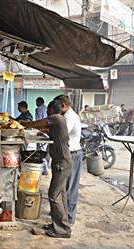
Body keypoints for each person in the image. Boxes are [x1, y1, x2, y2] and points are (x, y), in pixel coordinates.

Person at [22, 100, 72, 238]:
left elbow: (37, 123)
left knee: (53, 195)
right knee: (60, 195)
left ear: (50, 109)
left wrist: (24, 124)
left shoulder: (56, 118)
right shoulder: (58, 121)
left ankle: (63, 230)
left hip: (62, 162)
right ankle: (60, 224)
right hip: (61, 162)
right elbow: (45, 129)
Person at [54, 94, 82, 226]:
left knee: (70, 188)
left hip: (73, 154)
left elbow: (62, 132)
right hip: (68, 154)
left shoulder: (69, 117)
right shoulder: (65, 116)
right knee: (63, 188)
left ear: (63, 105)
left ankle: (69, 218)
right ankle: (63, 215)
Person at [35, 97, 49, 175]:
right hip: (46, 131)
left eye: (36, 102)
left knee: (40, 151)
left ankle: (44, 169)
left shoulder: (39, 109)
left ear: (39, 102)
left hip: (41, 130)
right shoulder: (46, 108)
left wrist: (39, 130)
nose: (36, 103)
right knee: (43, 150)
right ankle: (44, 168)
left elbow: (39, 121)